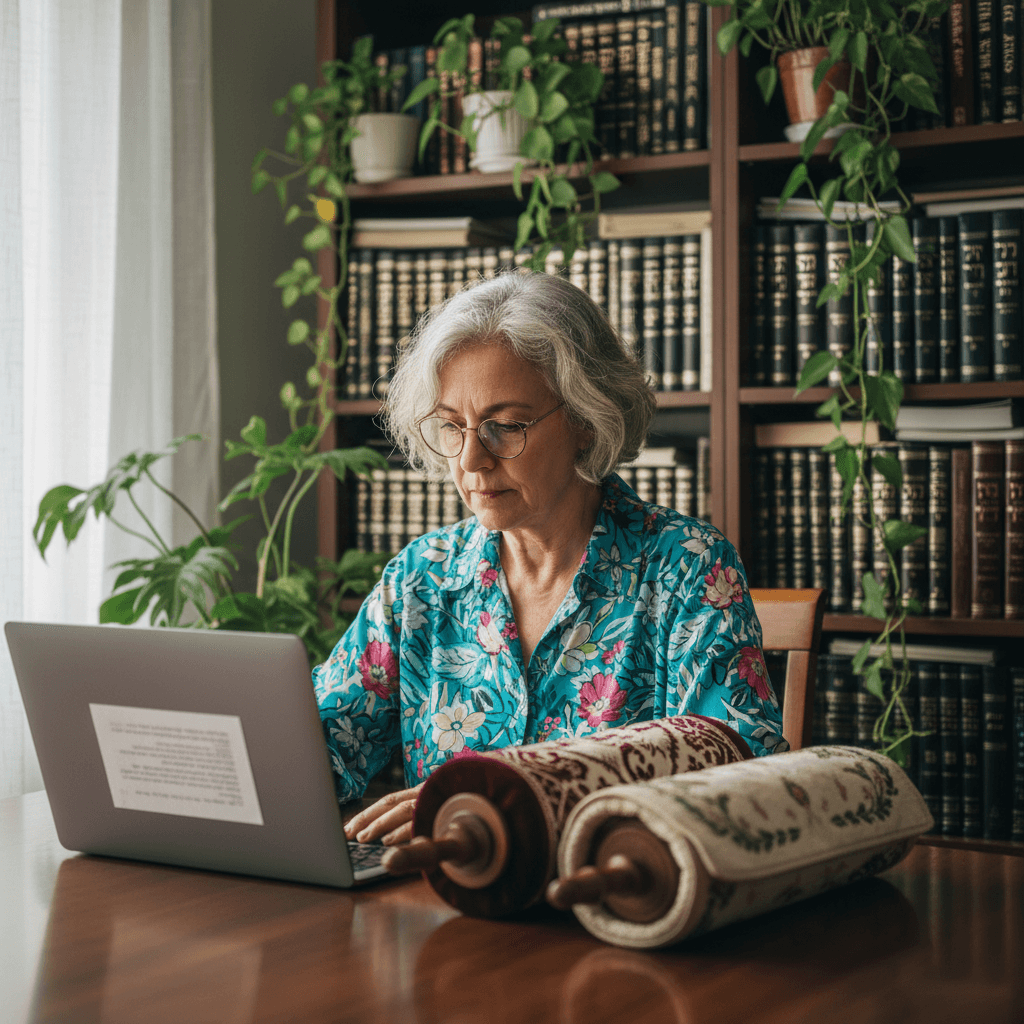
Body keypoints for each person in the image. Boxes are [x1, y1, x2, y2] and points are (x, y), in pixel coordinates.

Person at [314, 271, 786, 848]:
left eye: (504, 427)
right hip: (449, 901)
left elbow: (740, 766)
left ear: (587, 420)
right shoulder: (422, 578)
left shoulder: (686, 567)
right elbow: (323, 746)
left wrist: (511, 798)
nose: (470, 461)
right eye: (452, 426)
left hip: (610, 901)